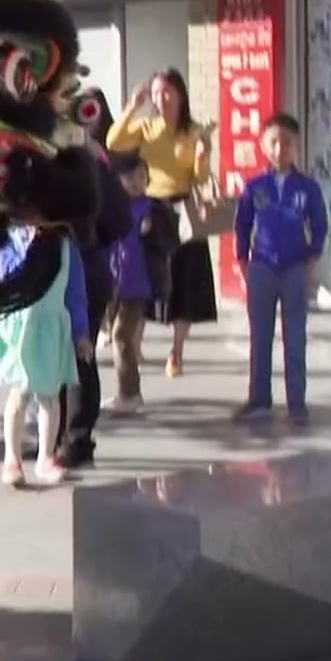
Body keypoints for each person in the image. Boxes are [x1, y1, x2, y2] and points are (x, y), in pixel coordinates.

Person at [106, 69, 216, 376]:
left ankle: (176, 352)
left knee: (185, 281)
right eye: (156, 93)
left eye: (167, 92)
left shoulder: (194, 131)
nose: (161, 98)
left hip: (183, 208)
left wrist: (203, 155)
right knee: (144, 276)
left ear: (180, 94)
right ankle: (135, 344)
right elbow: (114, 141)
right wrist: (132, 106)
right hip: (150, 207)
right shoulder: (147, 127)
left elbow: (201, 178)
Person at [232, 115, 328, 425]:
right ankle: (259, 399)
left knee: (295, 336)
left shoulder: (307, 187)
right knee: (260, 336)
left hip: (294, 267)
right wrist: (243, 260)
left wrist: (311, 258)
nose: (279, 149)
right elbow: (242, 224)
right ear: (263, 145)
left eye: (286, 143)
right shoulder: (254, 186)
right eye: (273, 142)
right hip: (262, 265)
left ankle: (297, 402)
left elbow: (319, 224)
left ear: (297, 146)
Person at [0, 222, 87, 487]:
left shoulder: (66, 246)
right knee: (19, 394)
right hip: (20, 328)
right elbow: (3, 278)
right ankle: (12, 458)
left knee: (50, 396)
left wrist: (81, 333)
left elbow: (76, 292)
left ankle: (46, 457)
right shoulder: (10, 242)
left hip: (51, 328)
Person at [57, 98, 132, 467]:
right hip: (58, 267)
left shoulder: (92, 164)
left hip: (85, 266)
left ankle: (77, 438)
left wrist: (88, 233)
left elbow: (119, 219)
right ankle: (55, 434)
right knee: (57, 354)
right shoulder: (56, 162)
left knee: (80, 353)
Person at [104, 157, 155, 412]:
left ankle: (130, 393)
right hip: (114, 282)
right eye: (130, 177)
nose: (136, 182)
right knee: (117, 336)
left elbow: (166, 240)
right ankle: (125, 392)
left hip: (137, 281)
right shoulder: (113, 207)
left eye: (141, 177)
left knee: (121, 336)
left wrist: (154, 229)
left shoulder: (152, 208)